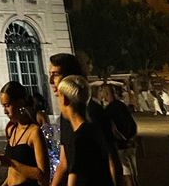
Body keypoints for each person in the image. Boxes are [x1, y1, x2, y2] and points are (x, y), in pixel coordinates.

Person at [48, 54, 121, 186]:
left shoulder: (93, 113)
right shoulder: (65, 117)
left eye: (56, 74)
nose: (51, 81)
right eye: (50, 74)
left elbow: (111, 159)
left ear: (70, 78)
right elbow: (64, 163)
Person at [56, 76, 112, 186]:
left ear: (64, 99)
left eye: (58, 96)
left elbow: (75, 178)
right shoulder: (93, 130)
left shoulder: (79, 139)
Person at [0, 80, 49, 185]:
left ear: (20, 103)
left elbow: (43, 175)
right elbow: (12, 174)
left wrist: (10, 163)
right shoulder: (12, 130)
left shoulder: (34, 132)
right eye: (3, 106)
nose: (5, 111)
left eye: (8, 105)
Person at [100, 85, 138, 186]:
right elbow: (132, 123)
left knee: (126, 172)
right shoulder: (121, 105)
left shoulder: (109, 110)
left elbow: (113, 128)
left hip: (121, 144)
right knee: (133, 169)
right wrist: (132, 137)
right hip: (131, 143)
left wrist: (121, 139)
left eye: (102, 92)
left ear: (106, 94)